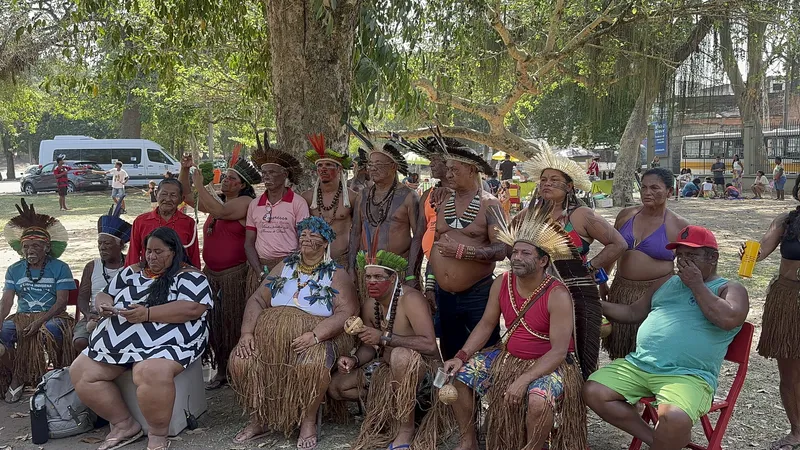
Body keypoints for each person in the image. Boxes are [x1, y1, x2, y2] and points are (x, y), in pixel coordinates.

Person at [584, 225, 749, 450]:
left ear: (713, 258)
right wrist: (595, 304)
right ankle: (658, 441)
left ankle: (666, 440)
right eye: (679, 255)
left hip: (688, 375)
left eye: (691, 255)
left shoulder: (729, 288)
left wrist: (697, 285)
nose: (682, 261)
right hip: (640, 365)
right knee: (594, 391)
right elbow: (633, 312)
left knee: (675, 418)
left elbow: (729, 319)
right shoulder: (666, 282)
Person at [442, 203, 588, 450]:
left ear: (543, 261)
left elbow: (558, 351)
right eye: (515, 252)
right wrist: (461, 356)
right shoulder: (502, 282)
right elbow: (487, 324)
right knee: (459, 377)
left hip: (551, 364)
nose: (516, 258)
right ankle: (468, 441)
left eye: (526, 253)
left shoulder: (557, 294)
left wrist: (524, 379)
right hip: (508, 357)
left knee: (538, 400)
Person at [70, 227, 213, 450]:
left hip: (171, 338)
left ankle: (157, 435)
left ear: (174, 251)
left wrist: (147, 314)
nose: (151, 257)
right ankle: (123, 424)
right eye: (148, 251)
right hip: (121, 339)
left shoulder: (190, 276)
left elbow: (193, 308)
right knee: (81, 371)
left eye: (158, 252)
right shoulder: (131, 272)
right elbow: (106, 292)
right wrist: (103, 304)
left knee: (149, 371)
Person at [229, 217, 357, 449]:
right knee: (242, 360)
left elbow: (346, 311)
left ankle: (308, 421)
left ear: (326, 242)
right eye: (303, 234)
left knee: (312, 365)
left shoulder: (336, 273)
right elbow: (257, 298)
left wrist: (316, 335)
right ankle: (259, 418)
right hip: (270, 337)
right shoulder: (285, 265)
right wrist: (247, 333)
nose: (306, 239)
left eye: (314, 235)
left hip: (313, 337)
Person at [329, 249, 449, 450]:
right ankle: (390, 409)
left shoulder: (411, 299)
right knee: (336, 386)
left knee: (401, 356)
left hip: (423, 370)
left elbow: (429, 345)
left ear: (393, 278)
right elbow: (370, 346)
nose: (371, 282)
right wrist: (355, 361)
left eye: (378, 277)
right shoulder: (370, 305)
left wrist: (385, 338)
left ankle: (406, 428)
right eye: (367, 277)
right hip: (387, 370)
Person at [178, 147, 261, 390]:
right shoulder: (217, 202)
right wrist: (185, 170)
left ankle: (241, 371)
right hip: (211, 276)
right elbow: (186, 196)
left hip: (235, 276)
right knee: (216, 326)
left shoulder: (245, 203)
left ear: (243, 185)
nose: (227, 181)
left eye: (232, 178)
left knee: (234, 324)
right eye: (225, 177)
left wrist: (201, 185)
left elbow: (221, 211)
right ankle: (222, 370)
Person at [429, 139, 507, 360]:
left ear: (472, 170)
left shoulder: (489, 204)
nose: (449, 174)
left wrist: (464, 252)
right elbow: (437, 246)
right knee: (450, 353)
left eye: (455, 169)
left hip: (478, 294)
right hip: (445, 296)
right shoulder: (443, 201)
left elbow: (502, 249)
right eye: (448, 169)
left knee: (485, 353)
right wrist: (431, 284)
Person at [602, 168, 689, 360]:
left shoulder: (679, 225)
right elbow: (611, 251)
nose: (647, 192)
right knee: (620, 350)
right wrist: (602, 281)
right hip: (621, 290)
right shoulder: (626, 215)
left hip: (657, 296)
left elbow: (689, 266)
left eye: (655, 188)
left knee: (649, 352)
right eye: (643, 187)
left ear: (669, 192)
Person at [741, 176, 800, 449]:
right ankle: (797, 431)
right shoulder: (785, 220)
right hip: (787, 302)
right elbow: (763, 249)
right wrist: (750, 253)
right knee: (789, 374)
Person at [0, 199, 75, 403]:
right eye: (26, 246)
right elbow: (6, 302)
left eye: (35, 245)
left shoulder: (60, 267)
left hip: (53, 316)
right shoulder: (14, 269)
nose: (29, 250)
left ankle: (51, 378)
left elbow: (61, 302)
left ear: (47, 247)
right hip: (22, 317)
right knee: (4, 332)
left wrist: (39, 321)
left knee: (50, 331)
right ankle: (20, 374)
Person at [348, 131, 421, 292]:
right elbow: (355, 233)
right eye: (370, 164)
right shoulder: (363, 195)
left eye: (378, 165)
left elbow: (418, 237)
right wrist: (351, 267)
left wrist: (411, 274)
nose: (372, 169)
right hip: (367, 271)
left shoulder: (409, 196)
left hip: (397, 271)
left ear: (393, 167)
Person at [245, 133, 310, 297]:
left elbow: (304, 240)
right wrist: (260, 272)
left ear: (285, 174)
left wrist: (288, 269)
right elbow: (248, 243)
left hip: (289, 268)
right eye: (264, 172)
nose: (266, 176)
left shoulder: (298, 203)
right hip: (260, 267)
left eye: (272, 172)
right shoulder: (255, 204)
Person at [74, 203, 131, 353]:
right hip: (94, 316)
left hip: (123, 316)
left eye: (107, 243)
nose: (102, 248)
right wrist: (88, 314)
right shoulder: (92, 266)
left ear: (120, 245)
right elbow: (82, 298)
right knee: (80, 341)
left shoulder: (131, 266)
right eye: (99, 243)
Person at [300, 134, 359, 268]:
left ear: (339, 169)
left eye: (328, 165)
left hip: (342, 259)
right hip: (313, 261)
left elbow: (358, 231)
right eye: (320, 165)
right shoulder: (307, 197)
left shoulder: (351, 197)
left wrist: (352, 263)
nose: (323, 168)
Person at [126, 178, 201, 268]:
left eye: (173, 195)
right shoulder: (141, 221)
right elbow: (133, 254)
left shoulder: (189, 223)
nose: (168, 199)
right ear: (156, 194)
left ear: (181, 199)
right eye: (164, 194)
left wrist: (196, 276)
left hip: (179, 276)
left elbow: (194, 256)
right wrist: (130, 277)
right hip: (149, 276)